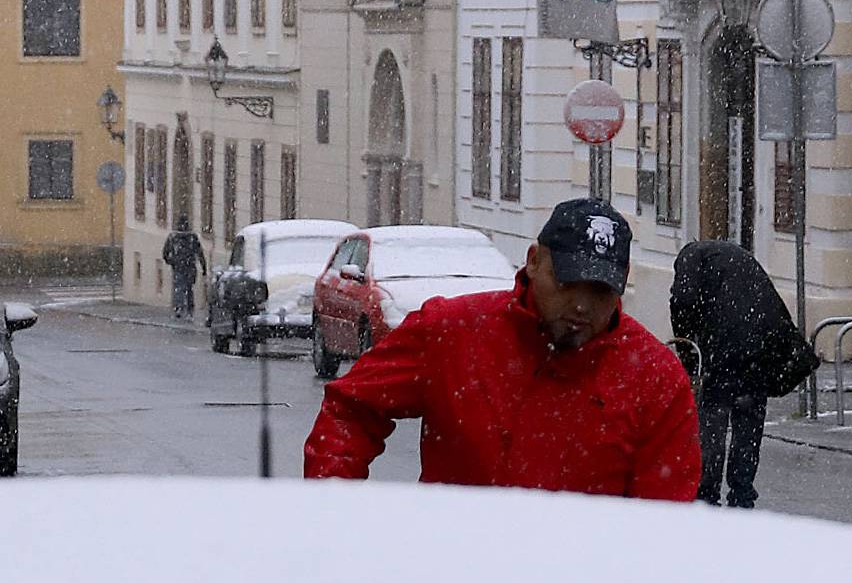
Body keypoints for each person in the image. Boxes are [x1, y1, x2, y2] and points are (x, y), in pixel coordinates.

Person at [304, 198, 700, 500]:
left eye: (599, 291)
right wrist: (336, 509)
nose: (581, 305)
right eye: (567, 283)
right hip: (453, 579)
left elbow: (663, 518)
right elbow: (352, 409)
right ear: (533, 262)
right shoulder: (452, 331)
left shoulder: (654, 377)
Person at [670, 234, 815, 509]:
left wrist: (688, 354)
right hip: (763, 343)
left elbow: (682, 300)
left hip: (724, 349)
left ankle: (706, 494)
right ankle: (742, 491)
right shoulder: (739, 257)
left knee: (712, 420)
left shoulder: (689, 257)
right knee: (748, 419)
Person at [160, 216, 206, 325]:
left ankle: (179, 308)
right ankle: (190, 309)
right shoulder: (192, 237)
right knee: (189, 289)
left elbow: (165, 253)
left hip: (179, 266)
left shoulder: (173, 236)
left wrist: (171, 261)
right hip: (190, 267)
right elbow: (200, 253)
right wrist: (204, 268)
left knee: (179, 288)